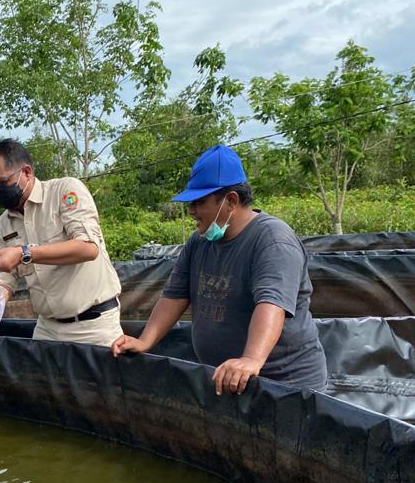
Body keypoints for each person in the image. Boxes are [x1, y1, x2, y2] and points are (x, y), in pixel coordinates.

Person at [111, 144, 327, 394]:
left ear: (231, 200)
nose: (191, 211)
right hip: (227, 378)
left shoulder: (272, 240)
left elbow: (271, 304)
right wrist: (145, 340)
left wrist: (251, 359)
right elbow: (175, 295)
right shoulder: (200, 241)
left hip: (285, 385)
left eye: (199, 202)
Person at [0, 139, 123, 345]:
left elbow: (88, 248)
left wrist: (24, 253)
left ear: (27, 172)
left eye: (3, 182)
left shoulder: (64, 192)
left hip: (94, 326)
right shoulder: (2, 225)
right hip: (47, 328)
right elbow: (4, 279)